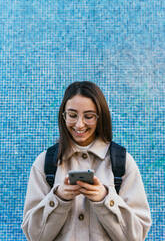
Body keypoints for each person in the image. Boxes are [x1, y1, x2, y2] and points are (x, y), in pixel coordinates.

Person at [21, 81, 151, 241]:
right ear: (63, 116)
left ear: (100, 117)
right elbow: (34, 236)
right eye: (72, 115)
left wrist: (105, 199)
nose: (79, 124)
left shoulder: (122, 162)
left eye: (89, 116)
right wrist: (58, 198)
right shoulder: (44, 163)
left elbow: (137, 236)